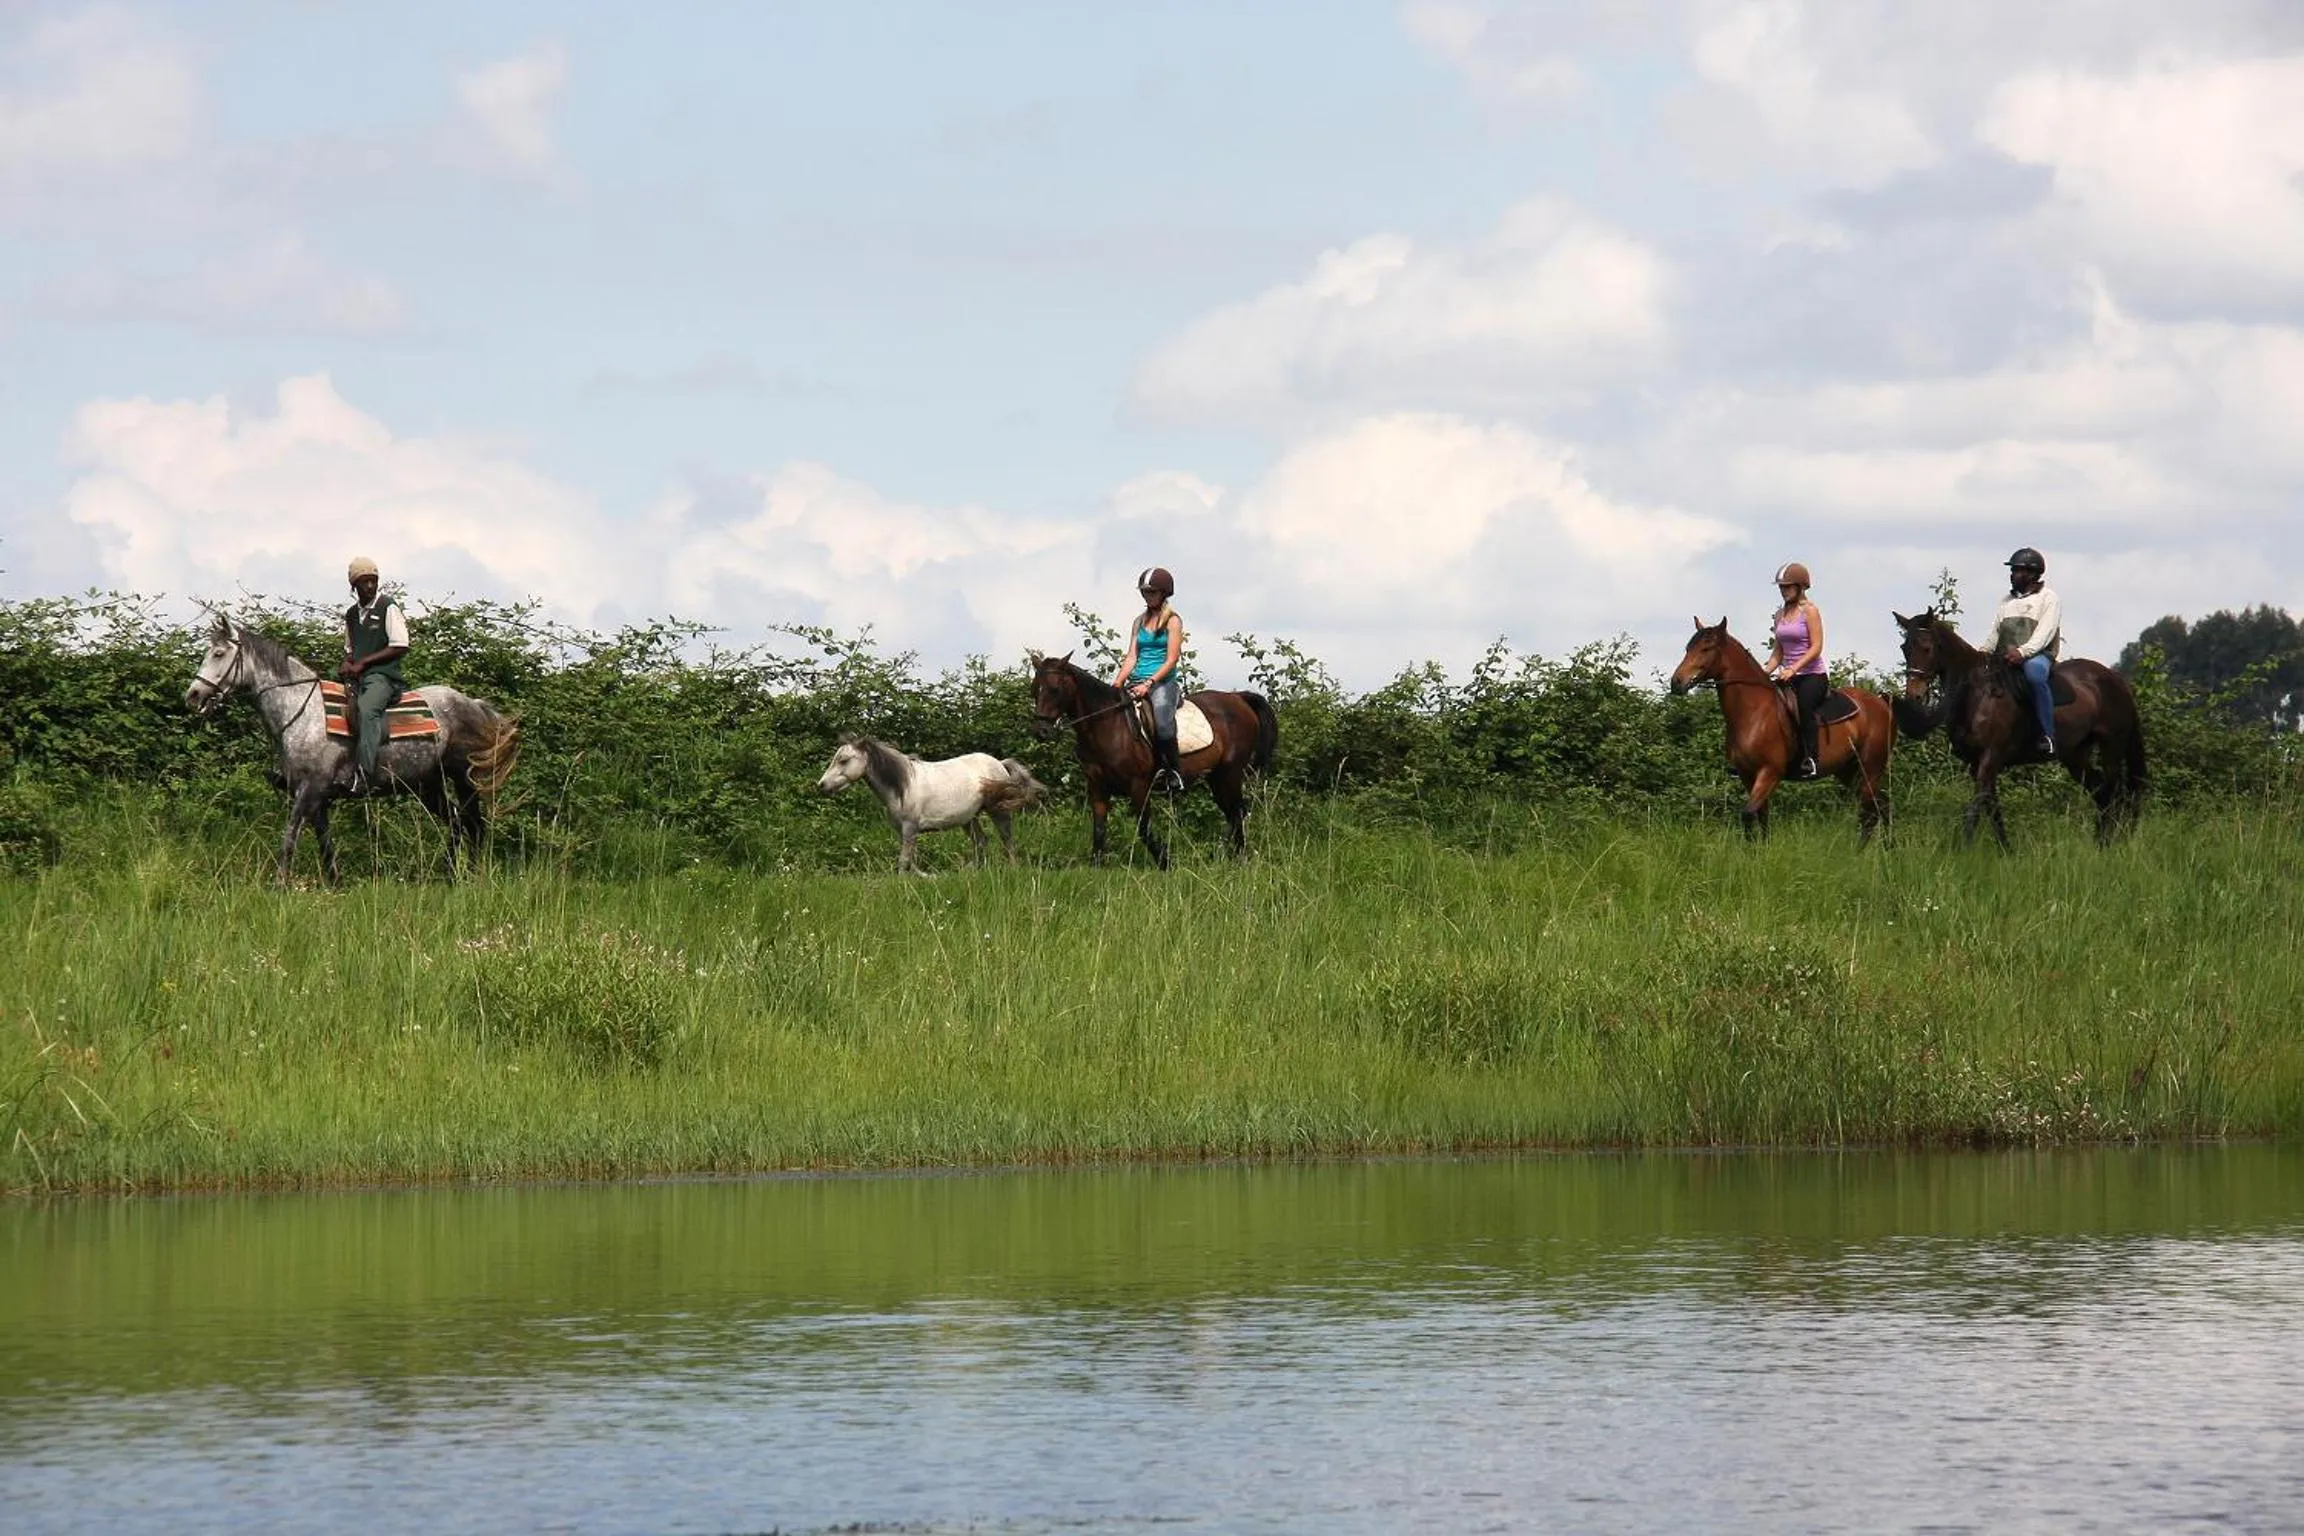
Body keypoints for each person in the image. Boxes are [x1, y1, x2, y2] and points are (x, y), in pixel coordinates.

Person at [341, 555, 410, 794]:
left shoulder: (387, 606)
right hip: (359, 678)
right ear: (354, 586)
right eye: (364, 582)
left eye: (373, 581)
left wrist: (364, 663)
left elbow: (400, 645)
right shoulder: (351, 614)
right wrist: (347, 664)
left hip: (383, 677)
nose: (370, 586)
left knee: (367, 710)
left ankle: (365, 775)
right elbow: (350, 650)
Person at [1113, 566, 1185, 793]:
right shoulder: (1139, 622)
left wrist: (1149, 683)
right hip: (1136, 682)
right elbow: (1132, 655)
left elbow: (1172, 659)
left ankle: (1173, 772)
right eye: (1144, 592)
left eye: (1151, 592)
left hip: (1162, 684)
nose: (1147, 596)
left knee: (1163, 726)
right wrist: (1118, 682)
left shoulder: (1172, 621)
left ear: (1164, 593)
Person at [1991, 547, 2062, 757]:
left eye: (2018, 570)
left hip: (2037, 655)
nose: (2012, 574)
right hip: (2008, 656)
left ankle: (2048, 736)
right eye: (2013, 570)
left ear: (2032, 573)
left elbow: (2045, 632)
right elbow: (1995, 631)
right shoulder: (2006, 601)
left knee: (2034, 676)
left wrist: (2023, 652)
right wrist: (1983, 652)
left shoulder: (2049, 598)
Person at [1765, 561, 1828, 779]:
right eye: (1781, 587)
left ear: (1801, 587)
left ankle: (1812, 759)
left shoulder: (1810, 611)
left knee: (1804, 706)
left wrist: (1793, 669)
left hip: (1812, 676)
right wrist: (1764, 672)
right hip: (1787, 675)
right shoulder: (1779, 615)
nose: (1783, 591)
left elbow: (1816, 647)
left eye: (1788, 587)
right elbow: (1777, 653)